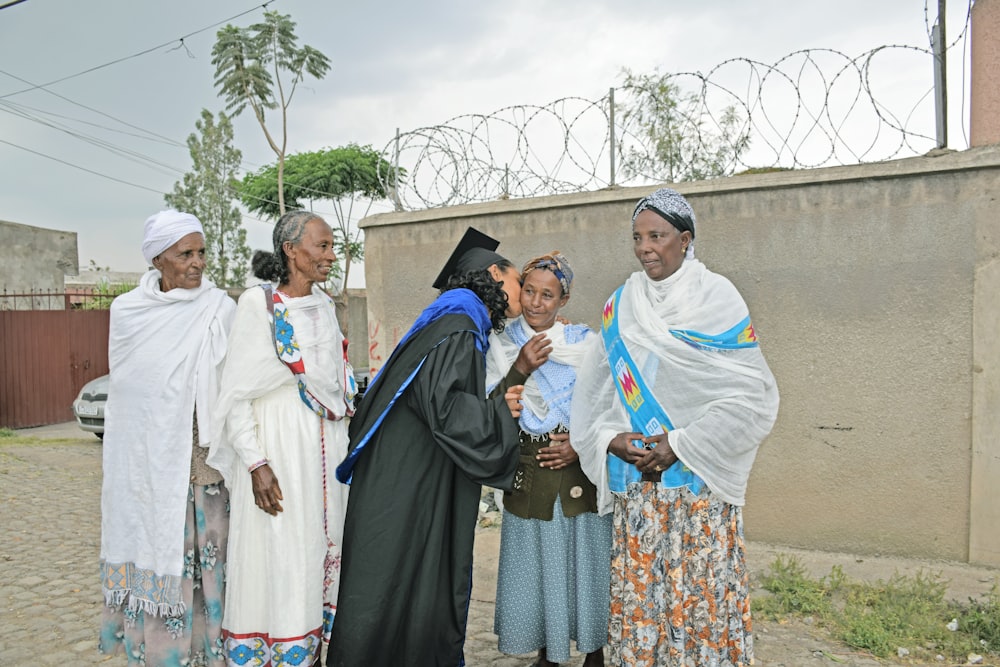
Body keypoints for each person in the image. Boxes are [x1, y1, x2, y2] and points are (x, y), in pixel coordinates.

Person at [570, 188, 780, 667]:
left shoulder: (718, 300)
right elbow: (598, 396)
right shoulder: (619, 305)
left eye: (657, 236)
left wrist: (679, 444)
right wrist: (609, 439)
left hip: (697, 492)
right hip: (638, 493)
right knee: (643, 607)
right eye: (638, 237)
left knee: (697, 604)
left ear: (685, 240)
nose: (645, 247)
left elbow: (752, 399)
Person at [328, 227, 525, 667]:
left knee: (408, 578)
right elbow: (447, 408)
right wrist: (499, 413)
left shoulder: (448, 319)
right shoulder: (457, 325)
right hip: (409, 481)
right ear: (493, 274)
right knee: (400, 577)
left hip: (410, 472)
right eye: (517, 284)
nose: (522, 296)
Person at [207, 211, 354, 667]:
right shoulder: (259, 305)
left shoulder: (327, 306)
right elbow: (234, 393)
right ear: (292, 250)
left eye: (332, 246)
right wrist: (255, 462)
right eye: (323, 245)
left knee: (317, 549)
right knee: (280, 550)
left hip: (326, 452)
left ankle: (309, 652)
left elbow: (333, 381)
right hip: (279, 448)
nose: (332, 255)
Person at [99, 210, 237, 666]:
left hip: (203, 468)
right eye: (185, 254)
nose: (197, 263)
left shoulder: (220, 308)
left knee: (209, 567)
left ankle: (212, 654)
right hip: (147, 472)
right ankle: (160, 655)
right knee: (158, 558)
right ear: (158, 258)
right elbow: (128, 390)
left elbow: (233, 385)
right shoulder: (128, 311)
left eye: (201, 253)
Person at [486, 252, 612, 667]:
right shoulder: (502, 343)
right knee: (540, 568)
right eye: (529, 291)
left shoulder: (586, 344)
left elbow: (608, 405)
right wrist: (520, 367)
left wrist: (579, 443)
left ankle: (595, 650)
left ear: (564, 299)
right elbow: (490, 407)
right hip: (530, 475)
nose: (537, 302)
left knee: (588, 564)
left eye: (548, 295)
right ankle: (549, 653)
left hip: (580, 474)